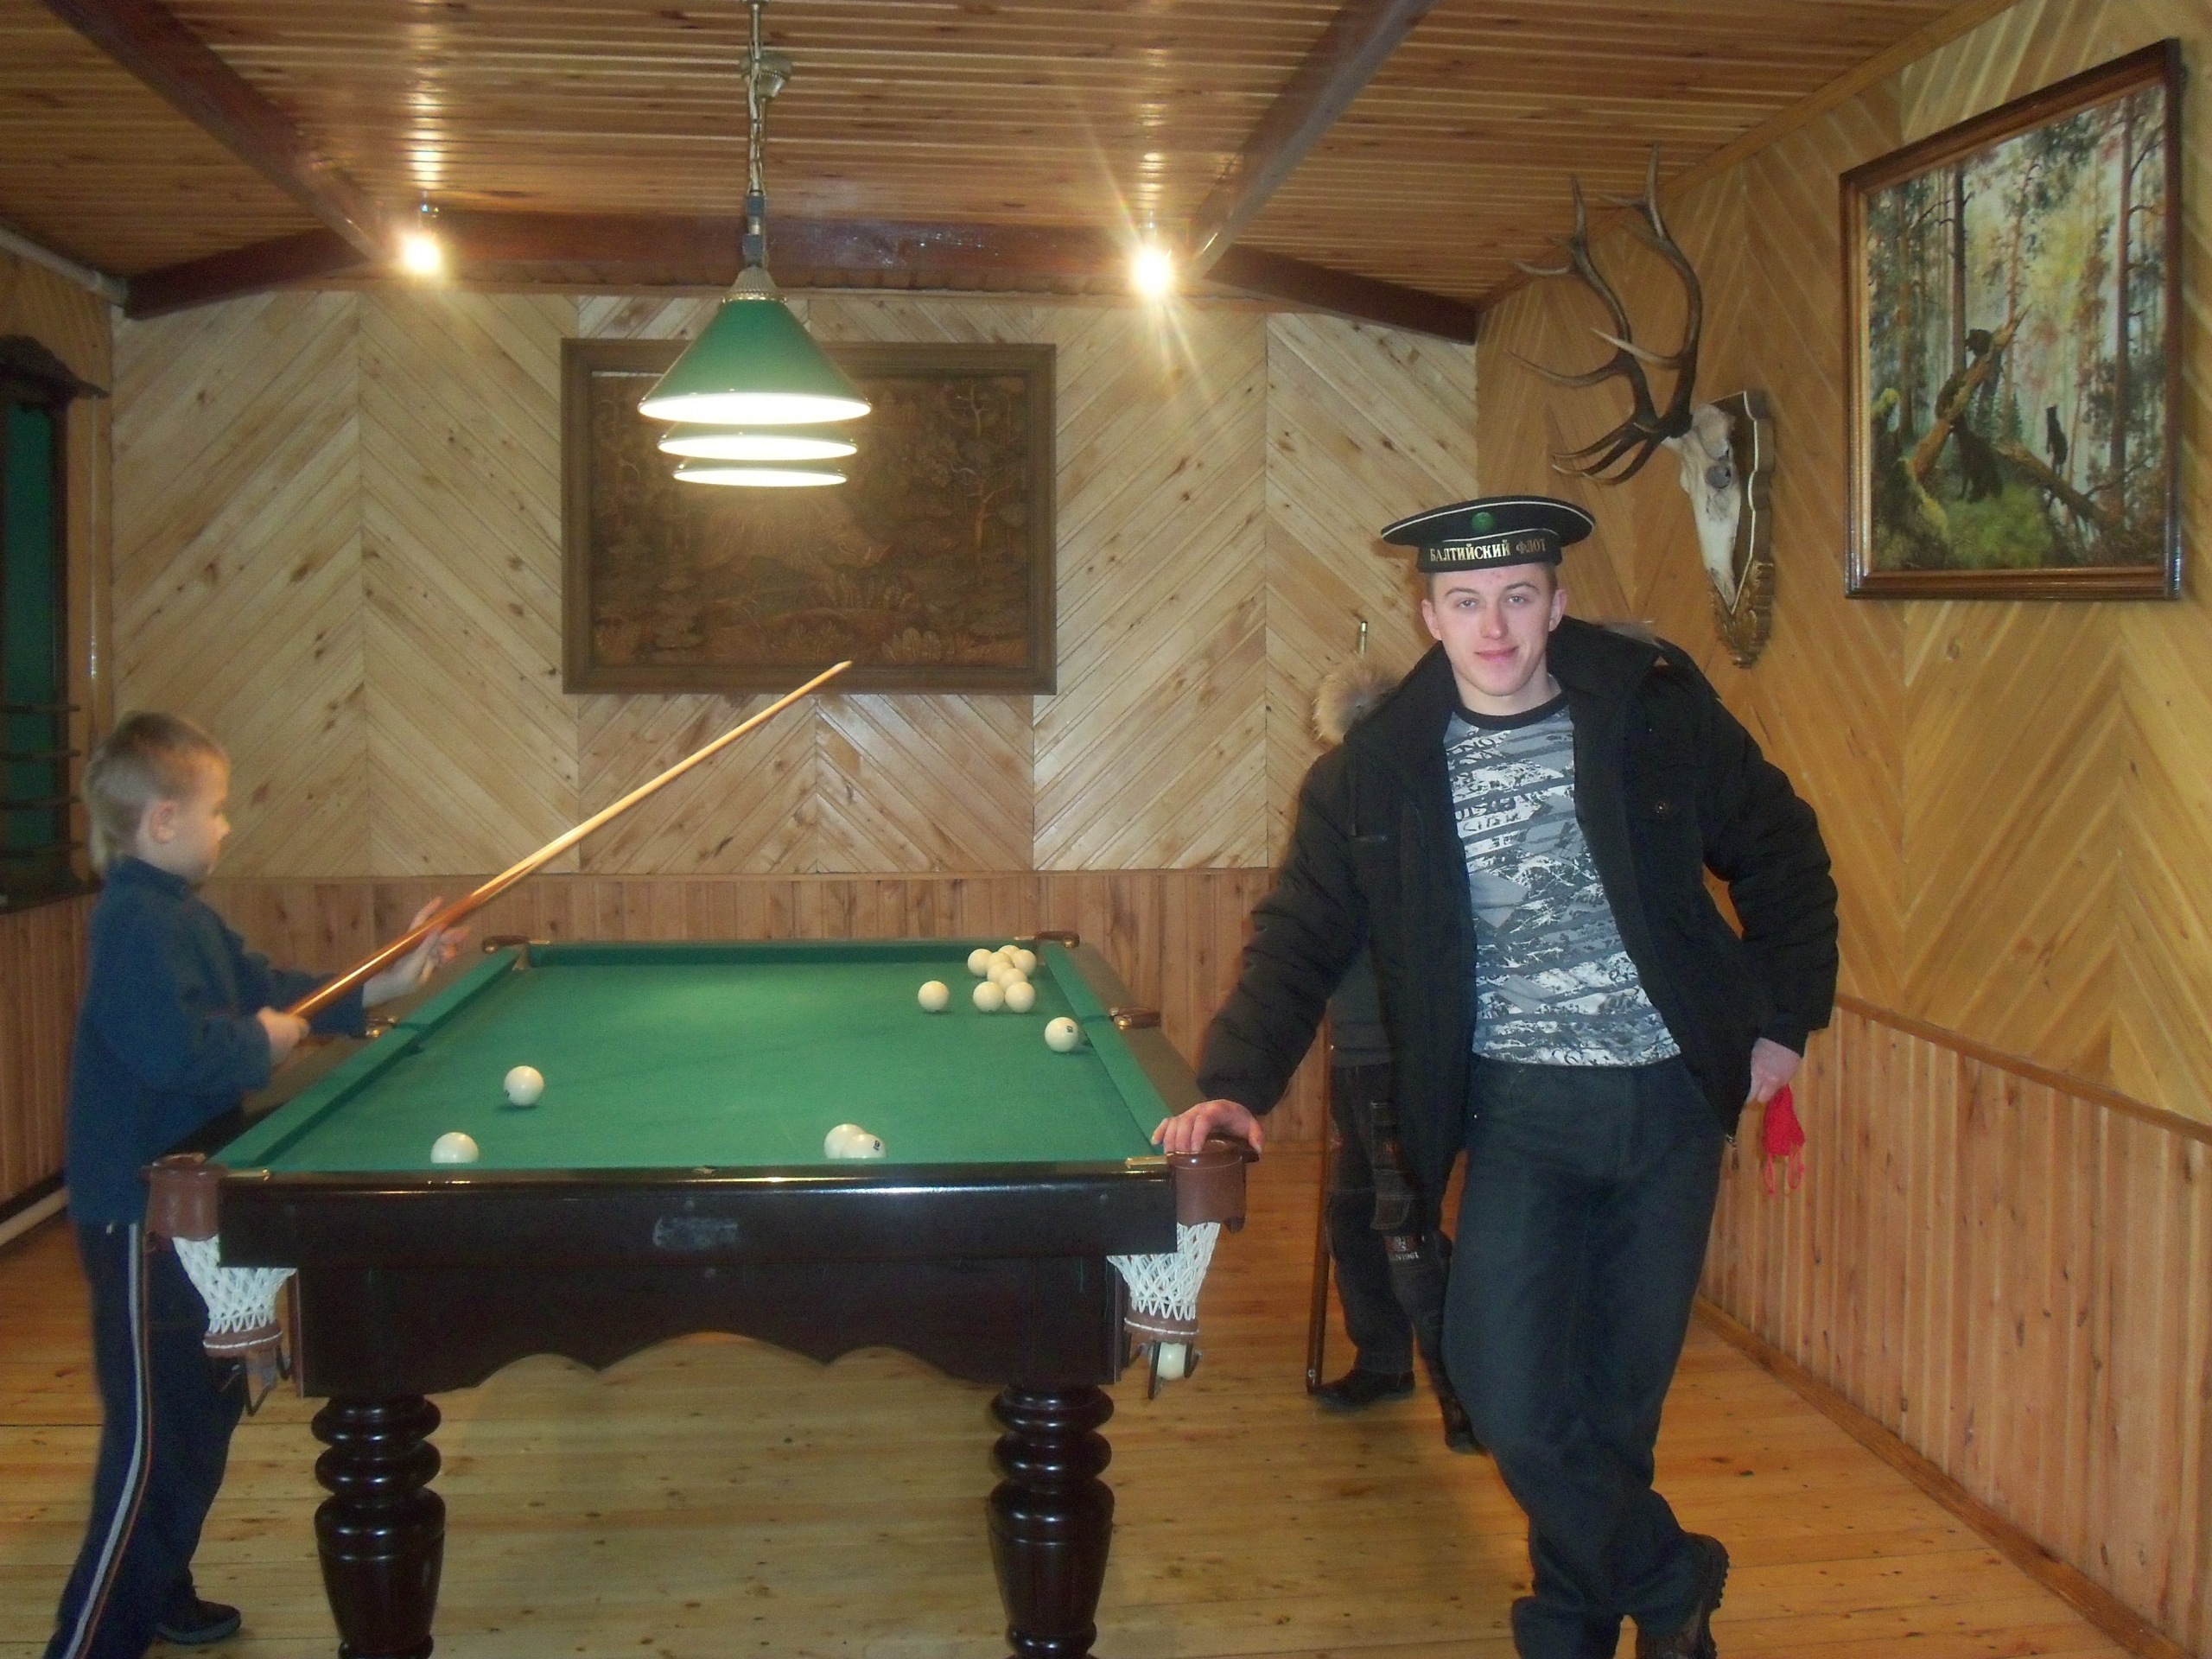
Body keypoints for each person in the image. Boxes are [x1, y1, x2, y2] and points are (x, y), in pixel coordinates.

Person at [1157, 498, 1837, 1659]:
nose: (1495, 628)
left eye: (1519, 597)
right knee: (1505, 1391)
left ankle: (1569, 1627)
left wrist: (1783, 1022)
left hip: (1672, 1106)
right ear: (1429, 616)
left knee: (1615, 1404)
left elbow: (1782, 850)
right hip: (1521, 1114)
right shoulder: (1375, 774)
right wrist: (1237, 1084)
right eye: (1466, 602)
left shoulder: (1654, 715)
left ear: (1557, 603)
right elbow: (1298, 940)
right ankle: (1671, 1575)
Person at [47, 713, 467, 1659]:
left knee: (199, 1423)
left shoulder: (181, 915)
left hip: (184, 1207)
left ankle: (159, 1590)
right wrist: (259, 1043)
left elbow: (271, 984)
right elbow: (174, 1052)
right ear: (162, 820)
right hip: (138, 1222)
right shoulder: (131, 923)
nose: (226, 827)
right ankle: (88, 1642)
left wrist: (386, 978)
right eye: (217, 810)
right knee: (153, 1450)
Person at [1306, 656, 1478, 1455]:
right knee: (1353, 1215)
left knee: (1404, 1229)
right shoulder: (1347, 796)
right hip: (1359, 1048)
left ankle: (1467, 1393)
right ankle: (1383, 1360)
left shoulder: (1411, 801)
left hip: (1396, 1054)